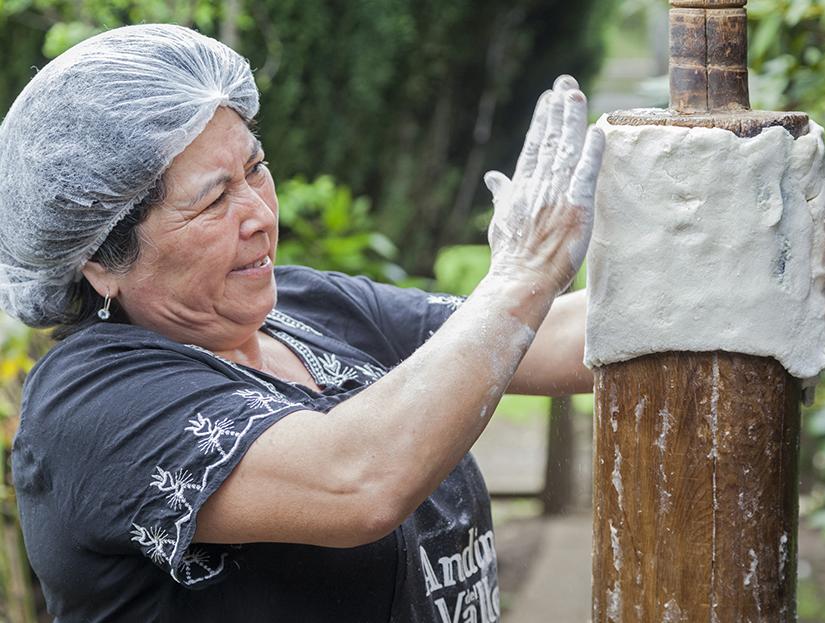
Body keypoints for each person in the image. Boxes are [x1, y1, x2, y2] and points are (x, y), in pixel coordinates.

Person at [0, 24, 604, 623]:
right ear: (103, 261)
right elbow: (358, 481)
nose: (261, 214)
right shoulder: (92, 405)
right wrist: (522, 273)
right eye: (213, 201)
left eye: (256, 169)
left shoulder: (304, 306)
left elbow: (548, 338)